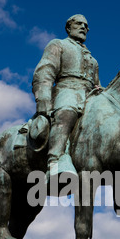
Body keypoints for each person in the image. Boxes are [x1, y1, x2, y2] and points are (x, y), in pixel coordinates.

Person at [32, 14, 101, 181]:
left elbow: (97, 84)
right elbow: (45, 72)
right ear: (69, 27)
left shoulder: (93, 60)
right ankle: (55, 162)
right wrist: (43, 99)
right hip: (66, 90)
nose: (84, 27)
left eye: (86, 26)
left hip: (90, 95)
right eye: (79, 24)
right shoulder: (58, 44)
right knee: (67, 111)